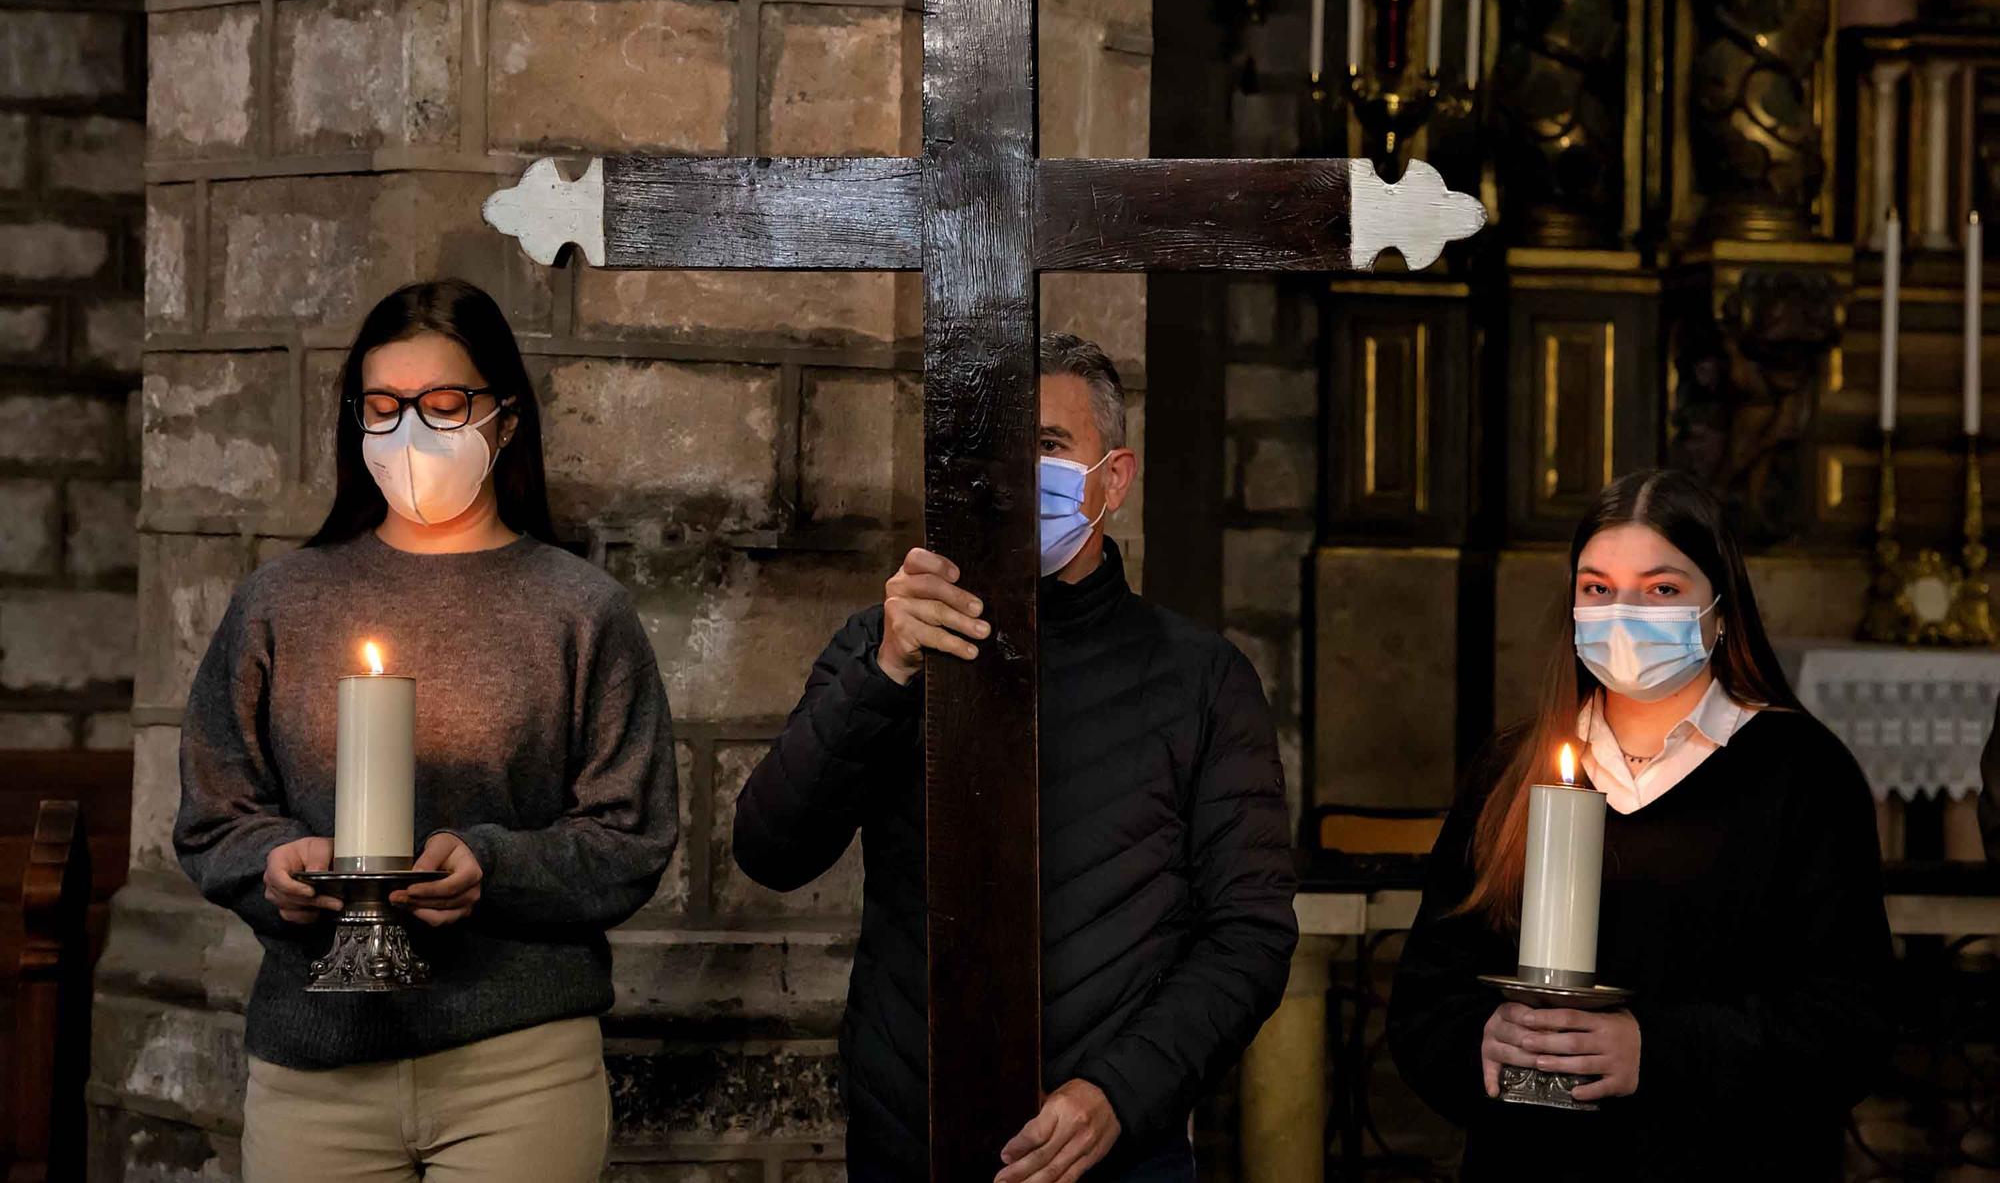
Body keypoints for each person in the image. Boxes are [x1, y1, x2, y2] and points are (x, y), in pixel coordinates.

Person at [732, 332, 1298, 1182]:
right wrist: (883, 673)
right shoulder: (881, 645)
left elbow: (1249, 934)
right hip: (910, 1142)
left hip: (1113, 1151)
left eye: (1046, 446)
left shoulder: (1201, 680)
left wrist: (1118, 1091)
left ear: (1113, 477)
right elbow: (770, 848)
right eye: (995, 446)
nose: (1016, 470)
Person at [174, 279, 678, 1182]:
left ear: (506, 420)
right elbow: (214, 813)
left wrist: (495, 865)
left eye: (444, 406)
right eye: (383, 407)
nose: (411, 432)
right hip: (318, 1063)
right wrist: (277, 865)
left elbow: (630, 836)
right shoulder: (281, 602)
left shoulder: (579, 609)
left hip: (515, 1062)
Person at [1388, 469, 1895, 1180]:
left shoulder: (1802, 772)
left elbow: (1851, 1022)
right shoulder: (1512, 768)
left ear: (1720, 608)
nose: (1623, 614)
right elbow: (1425, 998)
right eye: (1597, 588)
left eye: (1662, 589)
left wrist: (1654, 1050)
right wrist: (1483, 1038)